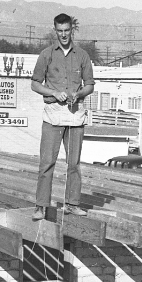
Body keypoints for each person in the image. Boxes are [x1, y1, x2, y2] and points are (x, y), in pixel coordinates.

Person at [31, 13, 95, 220]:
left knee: (74, 164)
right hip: (53, 116)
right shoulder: (46, 54)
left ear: (72, 30)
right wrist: (53, 93)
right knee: (47, 162)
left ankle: (72, 204)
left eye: (67, 30)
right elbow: (35, 84)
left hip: (75, 115)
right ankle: (41, 206)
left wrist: (79, 94)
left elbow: (90, 85)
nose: (64, 34)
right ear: (55, 31)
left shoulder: (83, 56)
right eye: (60, 31)